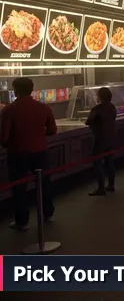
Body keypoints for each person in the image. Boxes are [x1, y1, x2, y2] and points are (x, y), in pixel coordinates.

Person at [2, 77, 57, 230]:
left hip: (17, 154)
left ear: (15, 91)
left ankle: (22, 221)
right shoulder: (43, 108)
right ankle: (48, 214)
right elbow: (53, 130)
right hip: (40, 152)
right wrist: (38, 134)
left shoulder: (8, 110)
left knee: (19, 188)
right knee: (44, 184)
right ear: (31, 90)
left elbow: (4, 138)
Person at [85, 87, 117, 196]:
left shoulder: (97, 109)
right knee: (110, 162)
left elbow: (88, 121)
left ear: (99, 96)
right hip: (111, 138)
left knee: (98, 163)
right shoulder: (112, 107)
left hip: (99, 139)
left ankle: (101, 187)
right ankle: (111, 184)